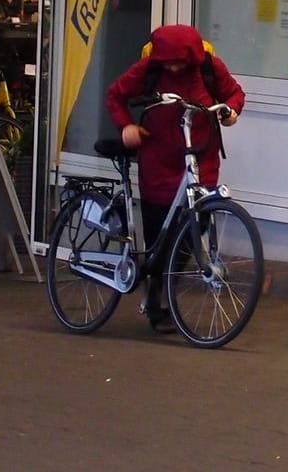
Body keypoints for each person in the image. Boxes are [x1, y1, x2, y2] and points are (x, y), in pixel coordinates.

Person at [104, 23, 243, 332]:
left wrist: (231, 111)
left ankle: (167, 284)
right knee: (159, 234)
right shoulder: (148, 69)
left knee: (196, 225)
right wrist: (126, 126)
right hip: (159, 162)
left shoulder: (209, 67)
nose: (174, 67)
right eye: (168, 62)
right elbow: (115, 96)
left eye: (180, 61)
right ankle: (156, 296)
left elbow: (234, 93)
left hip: (200, 159)